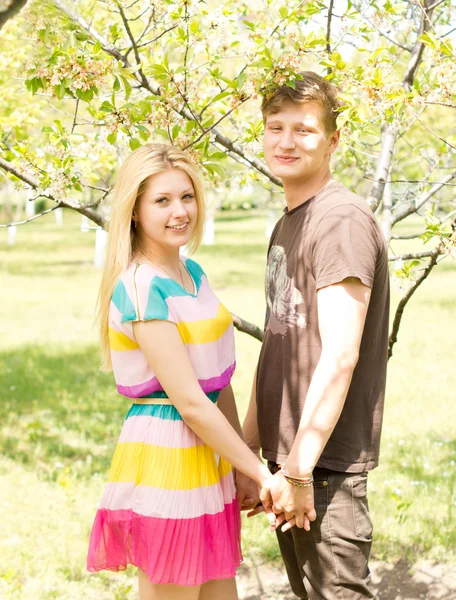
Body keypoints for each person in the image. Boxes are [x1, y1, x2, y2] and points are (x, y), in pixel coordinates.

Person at [86, 143, 274, 600]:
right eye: (162, 200)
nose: (180, 211)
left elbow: (216, 383)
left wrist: (243, 469)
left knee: (218, 594)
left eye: (187, 197)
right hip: (170, 453)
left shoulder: (191, 271)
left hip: (208, 451)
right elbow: (189, 403)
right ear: (134, 211)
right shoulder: (140, 287)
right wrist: (264, 475)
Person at [236, 71, 390, 599]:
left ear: (333, 140)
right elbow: (278, 343)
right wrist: (250, 453)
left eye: (302, 130)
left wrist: (299, 469)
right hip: (290, 464)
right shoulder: (289, 221)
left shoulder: (339, 219)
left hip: (324, 466)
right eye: (274, 127)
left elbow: (340, 354)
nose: (285, 141)